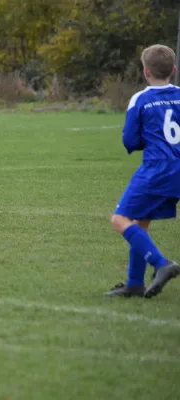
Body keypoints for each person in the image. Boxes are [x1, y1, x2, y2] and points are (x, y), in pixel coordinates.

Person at [105, 44, 180, 298]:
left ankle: (162, 264)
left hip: (157, 168)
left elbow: (130, 140)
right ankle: (135, 284)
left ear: (145, 71)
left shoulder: (141, 99)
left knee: (120, 219)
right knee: (140, 222)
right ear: (174, 70)